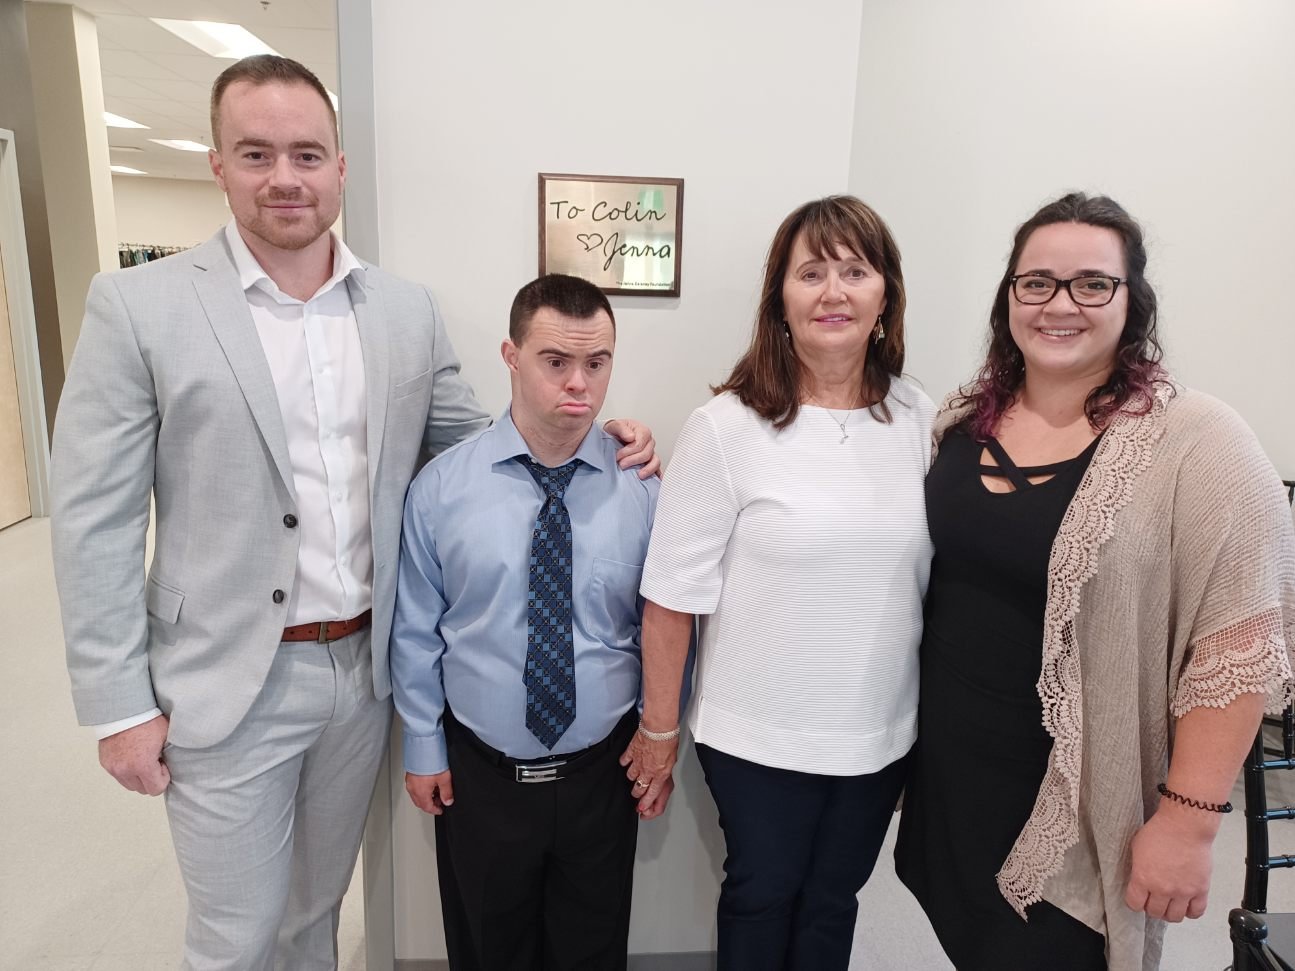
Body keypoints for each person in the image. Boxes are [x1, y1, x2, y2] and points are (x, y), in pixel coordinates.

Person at [49, 55, 656, 970]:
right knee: (234, 934)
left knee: (314, 914)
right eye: (256, 154)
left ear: (340, 166)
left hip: (361, 670)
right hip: (224, 679)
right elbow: (91, 514)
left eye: (306, 153)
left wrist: (604, 433)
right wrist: (117, 704)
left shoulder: (402, 311)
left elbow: (480, 445)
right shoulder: (140, 306)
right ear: (219, 163)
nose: (284, 178)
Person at [894, 192, 1295, 971]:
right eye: (1035, 282)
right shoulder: (960, 418)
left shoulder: (1199, 442)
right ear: (1008, 295)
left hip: (1076, 813)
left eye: (1091, 283)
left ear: (1131, 300)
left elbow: (1238, 648)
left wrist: (1188, 823)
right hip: (950, 784)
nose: (1059, 304)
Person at [620, 195, 935, 970]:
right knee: (762, 893)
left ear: (884, 294)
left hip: (877, 733)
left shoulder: (919, 417)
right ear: (780, 300)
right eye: (811, 273)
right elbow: (670, 595)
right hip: (757, 737)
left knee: (834, 901)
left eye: (854, 271)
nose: (833, 291)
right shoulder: (727, 427)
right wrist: (658, 732)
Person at [391, 273, 664, 970]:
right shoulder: (441, 490)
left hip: (603, 771)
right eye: (555, 361)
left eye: (596, 363)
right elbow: (416, 627)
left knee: (592, 949)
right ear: (510, 356)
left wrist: (662, 733)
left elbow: (662, 627)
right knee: (488, 948)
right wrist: (422, 742)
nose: (579, 383)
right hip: (480, 771)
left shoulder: (643, 488)